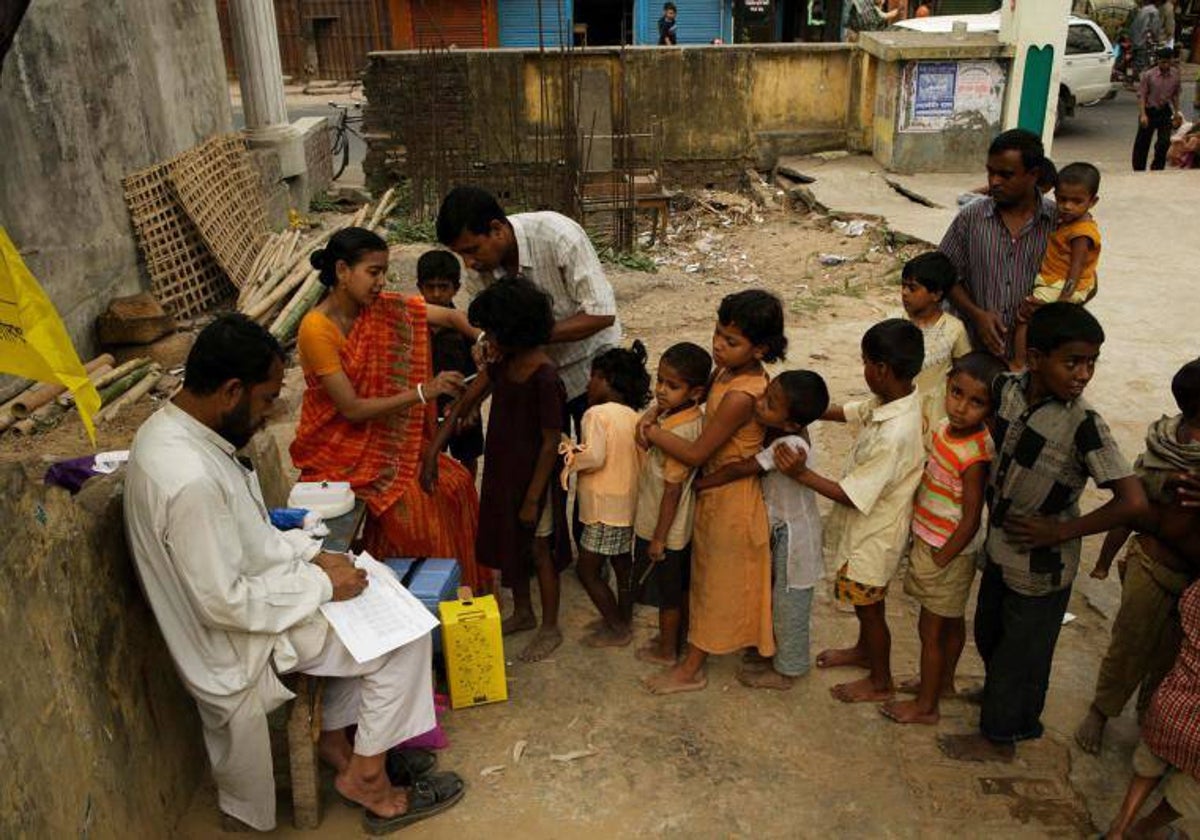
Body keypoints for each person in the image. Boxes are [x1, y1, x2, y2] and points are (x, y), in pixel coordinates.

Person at [124, 315, 464, 833]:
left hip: (252, 605)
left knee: (378, 592)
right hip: (235, 640)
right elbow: (224, 602)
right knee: (405, 638)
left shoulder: (182, 434)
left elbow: (244, 540)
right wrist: (324, 584)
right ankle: (367, 778)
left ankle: (338, 743)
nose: (269, 414)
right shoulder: (188, 478)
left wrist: (310, 558)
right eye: (265, 400)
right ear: (231, 390)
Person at [938, 303, 1148, 763]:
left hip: (1042, 564)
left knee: (1022, 652)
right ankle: (1011, 708)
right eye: (1072, 361)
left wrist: (1062, 531)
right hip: (1001, 547)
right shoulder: (1008, 390)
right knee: (993, 634)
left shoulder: (1084, 425)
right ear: (1035, 360)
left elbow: (1132, 501)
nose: (1083, 374)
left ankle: (999, 738)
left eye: (1091, 362)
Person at [289, 228, 486, 591]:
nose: (381, 282)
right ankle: (400, 594)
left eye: (384, 272)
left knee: (457, 484)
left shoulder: (382, 309)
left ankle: (458, 594)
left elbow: (453, 319)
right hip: (339, 448)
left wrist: (484, 341)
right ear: (343, 271)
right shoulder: (316, 329)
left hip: (387, 439)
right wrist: (423, 392)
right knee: (418, 511)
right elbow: (350, 409)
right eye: (373, 272)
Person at [436, 186, 621, 544]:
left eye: (472, 250)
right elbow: (490, 329)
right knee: (542, 463)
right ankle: (550, 550)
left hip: (589, 369)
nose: (469, 264)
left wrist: (525, 336)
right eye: (461, 255)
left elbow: (600, 313)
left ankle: (592, 552)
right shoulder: (481, 267)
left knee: (594, 467)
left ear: (496, 229)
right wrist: (485, 342)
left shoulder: (558, 236)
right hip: (535, 374)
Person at [639, 290, 787, 695]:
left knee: (716, 584)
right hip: (712, 488)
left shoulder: (743, 393)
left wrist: (652, 433)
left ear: (760, 348)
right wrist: (656, 413)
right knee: (703, 575)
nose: (718, 346)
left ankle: (692, 668)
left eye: (731, 341)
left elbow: (698, 450)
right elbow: (692, 402)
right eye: (718, 334)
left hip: (732, 496)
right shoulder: (724, 373)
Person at [423, 278, 572, 663]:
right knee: (511, 544)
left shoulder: (544, 377)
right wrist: (433, 453)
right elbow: (462, 403)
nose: (486, 339)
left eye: (492, 331)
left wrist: (534, 498)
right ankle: (522, 611)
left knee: (538, 548)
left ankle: (550, 626)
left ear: (513, 331)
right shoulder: (502, 363)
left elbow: (549, 442)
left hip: (533, 481)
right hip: (504, 474)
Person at [779, 319, 926, 703]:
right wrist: (804, 407)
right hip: (868, 530)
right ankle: (864, 652)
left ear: (880, 369)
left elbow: (848, 494)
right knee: (865, 606)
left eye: (864, 362)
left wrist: (800, 473)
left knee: (870, 607)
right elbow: (847, 412)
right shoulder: (892, 399)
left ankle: (881, 681)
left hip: (874, 536)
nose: (862, 369)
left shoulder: (896, 434)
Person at [1074, 358, 1200, 755]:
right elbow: (1133, 507)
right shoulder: (1167, 448)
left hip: (1191, 575)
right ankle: (1102, 709)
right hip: (1151, 563)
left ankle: (1151, 717)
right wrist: (1104, 559)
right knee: (1129, 644)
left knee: (1171, 654)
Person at [882, 352, 1006, 725]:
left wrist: (942, 557)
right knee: (949, 622)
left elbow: (970, 518)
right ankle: (942, 684)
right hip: (932, 538)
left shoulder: (976, 454)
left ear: (991, 409)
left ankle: (926, 705)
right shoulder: (942, 429)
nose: (961, 407)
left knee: (930, 630)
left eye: (976, 402)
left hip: (947, 550)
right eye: (956, 393)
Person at [695, 371, 831, 691]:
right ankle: (771, 652)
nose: (759, 404)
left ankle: (788, 670)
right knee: (774, 594)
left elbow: (742, 468)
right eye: (764, 395)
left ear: (789, 424)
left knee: (790, 603)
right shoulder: (783, 430)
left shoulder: (788, 446)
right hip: (781, 528)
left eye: (769, 404)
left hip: (795, 536)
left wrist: (701, 483)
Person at [562, 342, 652, 648]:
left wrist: (569, 455)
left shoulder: (596, 414)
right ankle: (621, 617)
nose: (588, 384)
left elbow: (595, 456)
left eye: (591, 378)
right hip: (627, 505)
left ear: (605, 379)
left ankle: (617, 627)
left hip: (604, 506)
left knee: (587, 570)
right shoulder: (634, 417)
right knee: (621, 564)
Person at [942, 130, 1056, 361]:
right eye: (990, 172)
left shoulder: (1058, 222)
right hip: (975, 353)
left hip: (1032, 358)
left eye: (1006, 175)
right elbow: (944, 275)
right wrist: (976, 315)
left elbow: (1086, 284)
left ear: (1033, 174)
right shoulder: (971, 217)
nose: (994, 182)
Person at [631, 342, 711, 666]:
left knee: (668, 597)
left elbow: (672, 491)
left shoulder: (683, 432)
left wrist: (659, 537)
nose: (661, 390)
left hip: (667, 529)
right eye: (659, 380)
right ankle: (673, 639)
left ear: (695, 392)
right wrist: (655, 413)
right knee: (674, 591)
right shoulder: (675, 414)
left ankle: (666, 651)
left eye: (672, 385)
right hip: (670, 527)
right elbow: (642, 434)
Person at [1102, 579, 1200, 839]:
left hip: (1173, 704)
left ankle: (1118, 829)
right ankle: (1143, 830)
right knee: (1191, 789)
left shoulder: (1196, 593)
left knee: (1148, 764)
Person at [1012, 162, 1103, 370]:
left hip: (1063, 284)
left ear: (1093, 201)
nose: (1067, 206)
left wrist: (1062, 303)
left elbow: (1076, 270)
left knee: (1025, 317)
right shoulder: (1068, 221)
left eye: (1076, 201)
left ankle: (1017, 363)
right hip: (1056, 279)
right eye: (1062, 199)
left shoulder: (1081, 232)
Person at [416, 249, 483, 480]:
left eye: (443, 287)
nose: (436, 294)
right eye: (430, 287)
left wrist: (471, 405)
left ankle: (467, 499)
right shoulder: (412, 327)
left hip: (462, 402)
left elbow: (480, 372)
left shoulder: (466, 326)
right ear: (419, 287)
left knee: (467, 458)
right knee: (427, 460)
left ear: (456, 287)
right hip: (425, 405)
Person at [899, 251, 972, 442]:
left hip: (935, 415)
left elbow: (962, 373)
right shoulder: (896, 324)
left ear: (936, 294)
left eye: (912, 288)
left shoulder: (954, 329)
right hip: (901, 408)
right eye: (903, 285)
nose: (904, 293)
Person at [1133, 47, 1182, 172]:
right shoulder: (1149, 75)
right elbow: (1142, 96)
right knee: (1143, 142)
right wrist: (1143, 114)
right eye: (1161, 62)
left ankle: (1157, 167)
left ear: (1171, 61)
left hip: (1164, 111)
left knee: (1164, 141)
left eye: (1166, 62)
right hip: (1149, 110)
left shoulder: (1175, 75)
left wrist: (1176, 113)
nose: (1164, 65)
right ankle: (1139, 169)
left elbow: (1175, 95)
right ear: (1158, 61)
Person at [1130, 0, 1163, 74]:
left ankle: (1132, 76)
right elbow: (1154, 28)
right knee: (1141, 62)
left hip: (1134, 38)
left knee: (1135, 60)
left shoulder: (1141, 9)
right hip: (1142, 40)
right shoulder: (1154, 11)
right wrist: (1156, 38)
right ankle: (1133, 77)